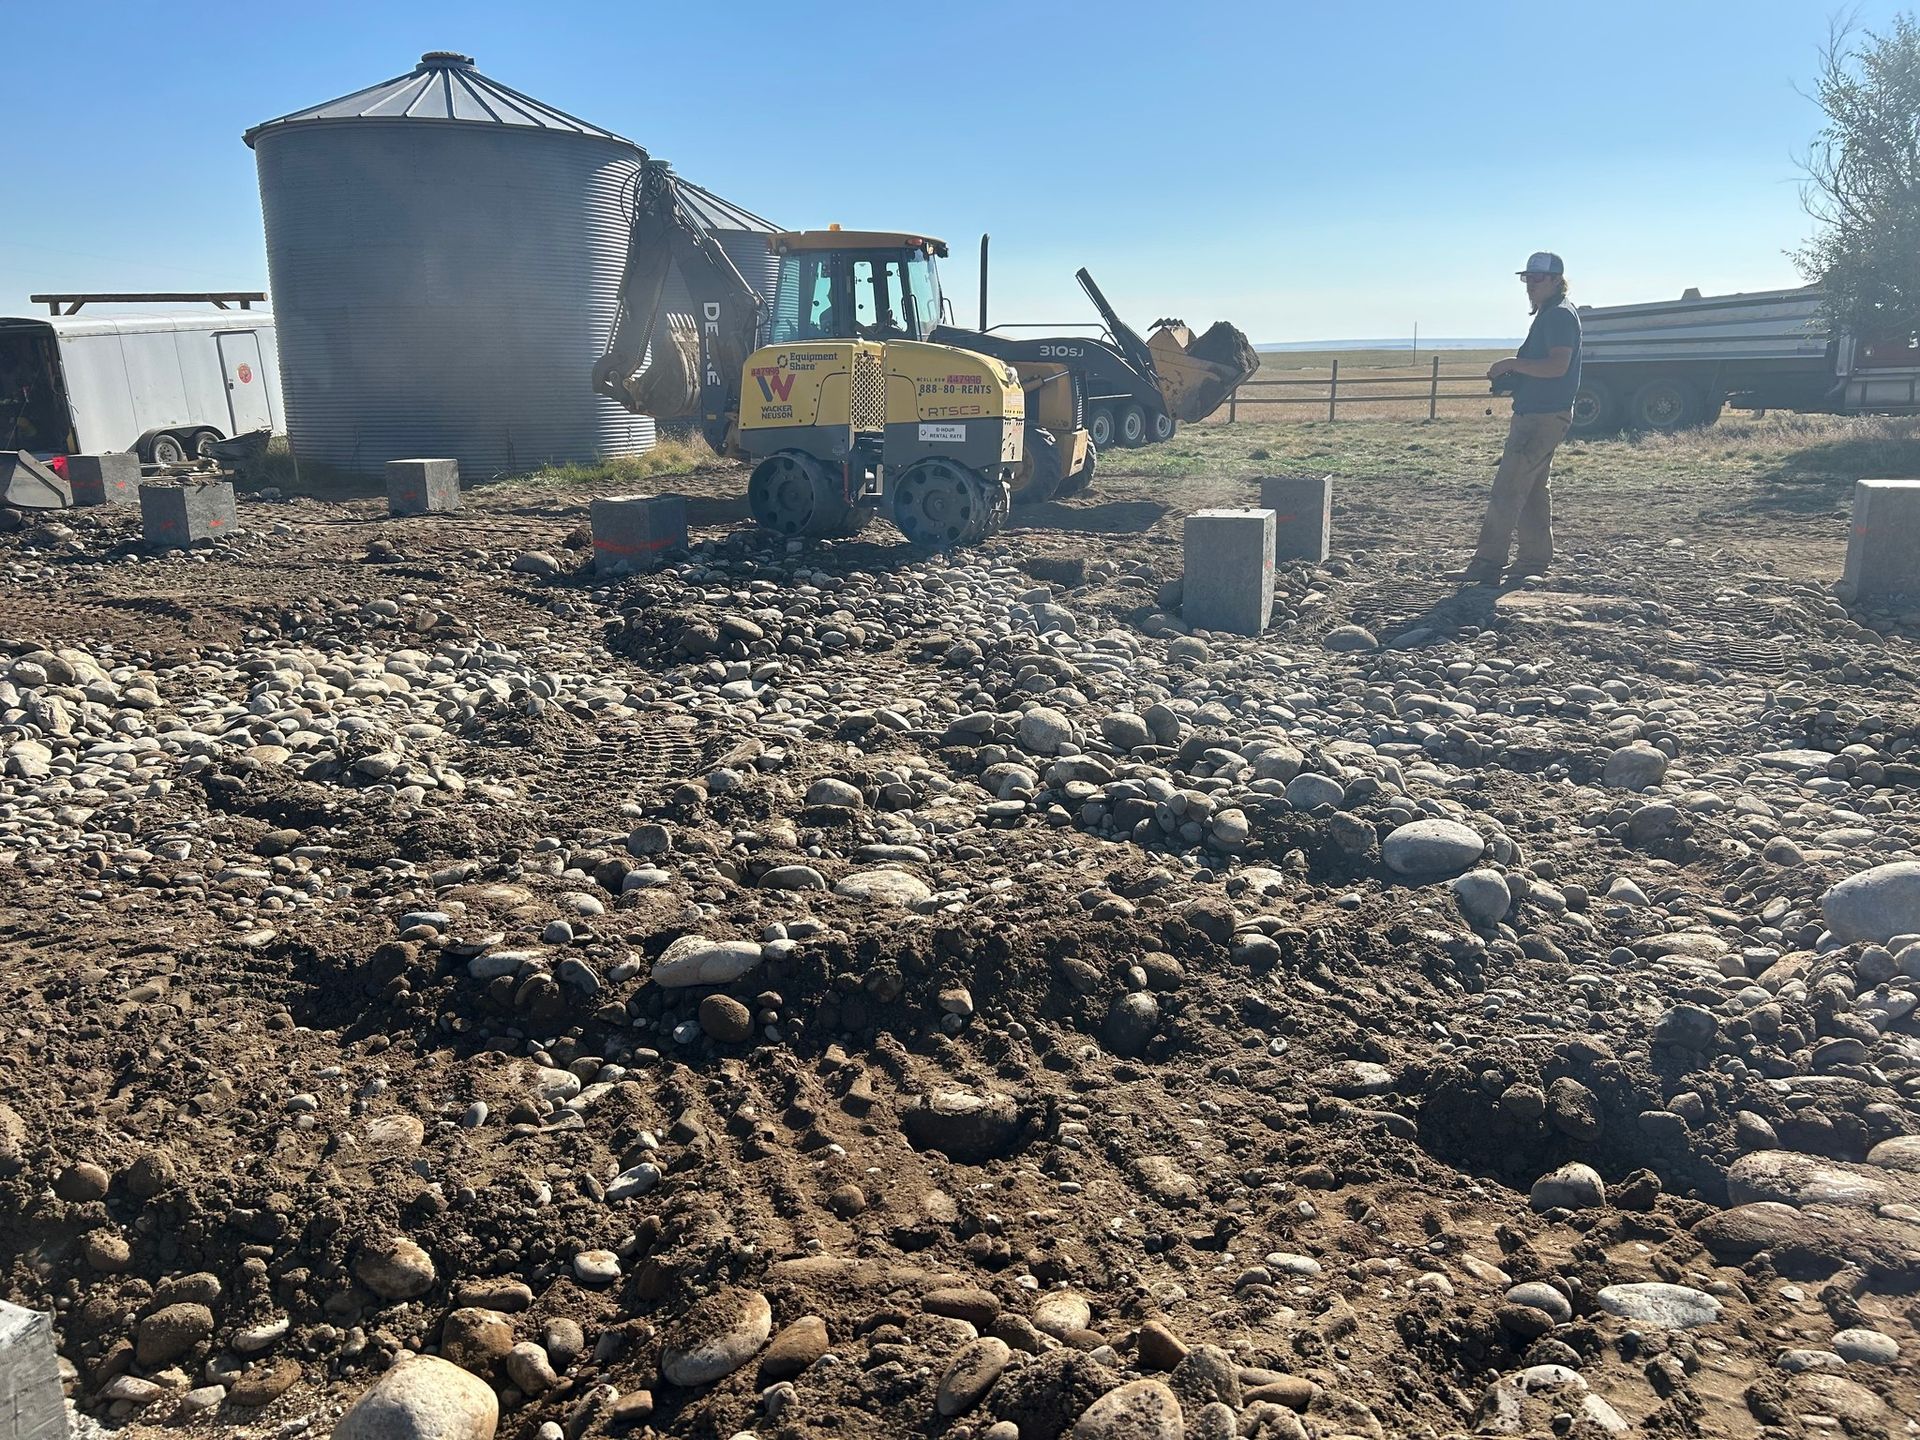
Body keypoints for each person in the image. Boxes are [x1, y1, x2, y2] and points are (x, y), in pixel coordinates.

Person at [1461, 252, 1582, 583]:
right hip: (1544, 413)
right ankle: (1533, 560)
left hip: (1541, 416)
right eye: (1527, 278)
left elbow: (1557, 366)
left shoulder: (1558, 315)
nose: (1530, 284)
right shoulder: (1554, 312)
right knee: (1532, 491)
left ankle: (1487, 564)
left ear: (1556, 279)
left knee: (1508, 489)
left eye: (1537, 278)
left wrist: (1512, 364)